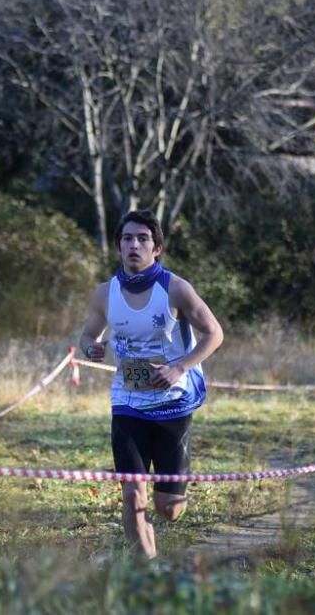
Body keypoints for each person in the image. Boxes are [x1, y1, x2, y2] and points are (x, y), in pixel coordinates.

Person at [79, 210, 224, 559]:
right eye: (127, 238)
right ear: (119, 247)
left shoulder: (175, 289)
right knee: (132, 494)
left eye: (143, 239)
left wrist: (180, 367)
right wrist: (91, 347)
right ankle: (147, 572)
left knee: (169, 509)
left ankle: (167, 503)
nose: (134, 245)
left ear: (157, 248)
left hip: (172, 404)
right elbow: (88, 334)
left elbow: (214, 334)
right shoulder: (104, 293)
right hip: (127, 401)